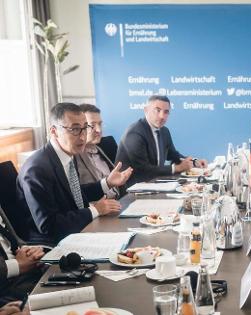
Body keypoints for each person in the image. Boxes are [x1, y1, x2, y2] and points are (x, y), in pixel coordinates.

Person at [16, 103, 132, 244]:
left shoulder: (68, 155)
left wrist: (106, 183)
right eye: (75, 129)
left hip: (78, 231)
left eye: (85, 128)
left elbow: (73, 194)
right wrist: (95, 210)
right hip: (51, 243)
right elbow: (49, 225)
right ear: (54, 131)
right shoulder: (37, 169)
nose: (82, 137)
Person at [116, 95, 207, 186]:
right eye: (157, 110)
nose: (162, 116)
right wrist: (176, 168)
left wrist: (194, 162)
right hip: (133, 189)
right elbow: (144, 169)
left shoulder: (164, 131)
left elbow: (173, 155)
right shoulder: (134, 133)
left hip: (155, 183)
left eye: (166, 112)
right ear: (146, 110)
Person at [1, 207, 44, 305]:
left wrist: (29, 252)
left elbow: (11, 240)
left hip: (25, 275)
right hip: (6, 287)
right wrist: (18, 265)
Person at [75, 104, 119, 198]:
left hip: (118, 202)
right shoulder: (73, 156)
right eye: (92, 125)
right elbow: (76, 194)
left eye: (100, 124)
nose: (99, 130)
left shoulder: (106, 146)